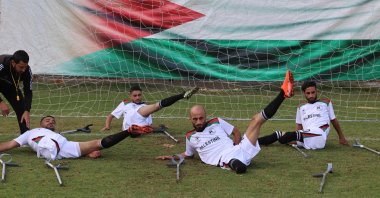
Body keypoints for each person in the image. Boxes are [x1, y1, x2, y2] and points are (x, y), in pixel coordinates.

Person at [156, 71, 294, 174]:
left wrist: (237, 142)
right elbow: (188, 154)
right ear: (190, 119)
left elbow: (235, 132)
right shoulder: (190, 137)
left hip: (238, 148)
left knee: (256, 120)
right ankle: (237, 165)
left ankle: (283, 93)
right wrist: (172, 156)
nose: (199, 121)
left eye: (201, 118)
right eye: (195, 119)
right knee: (239, 167)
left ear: (205, 116)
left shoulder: (216, 122)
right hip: (224, 158)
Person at [0, 115, 155, 160]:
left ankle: (128, 131)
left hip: (62, 146)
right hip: (48, 146)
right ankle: (128, 131)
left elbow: (65, 147)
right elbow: (7, 145)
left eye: (53, 121)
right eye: (48, 120)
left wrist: (88, 153)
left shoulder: (57, 134)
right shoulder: (29, 133)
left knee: (97, 144)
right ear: (40, 123)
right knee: (94, 144)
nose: (51, 122)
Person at [257, 81, 349, 149]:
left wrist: (341, 137)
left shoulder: (326, 102)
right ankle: (254, 142)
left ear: (317, 91)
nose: (311, 95)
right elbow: (299, 126)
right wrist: (296, 139)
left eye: (313, 92)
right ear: (304, 93)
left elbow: (334, 120)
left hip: (320, 133)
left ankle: (293, 136)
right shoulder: (301, 107)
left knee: (292, 136)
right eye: (308, 93)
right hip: (305, 136)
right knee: (277, 134)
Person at [101, 86, 199, 131]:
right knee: (157, 106)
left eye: (139, 95)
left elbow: (148, 124)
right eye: (135, 96)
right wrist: (107, 126)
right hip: (128, 128)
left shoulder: (144, 106)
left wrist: (158, 128)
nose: (137, 97)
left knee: (157, 106)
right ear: (130, 96)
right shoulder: (125, 103)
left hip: (140, 128)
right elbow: (110, 116)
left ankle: (182, 95)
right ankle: (182, 95)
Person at [0, 50, 33, 134]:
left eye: (25, 66)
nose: (23, 70)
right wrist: (0, 102)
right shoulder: (2, 64)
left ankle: (25, 137)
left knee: (22, 109)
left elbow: (28, 91)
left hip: (10, 86)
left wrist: (27, 110)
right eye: (21, 67)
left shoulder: (27, 71)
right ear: (13, 63)